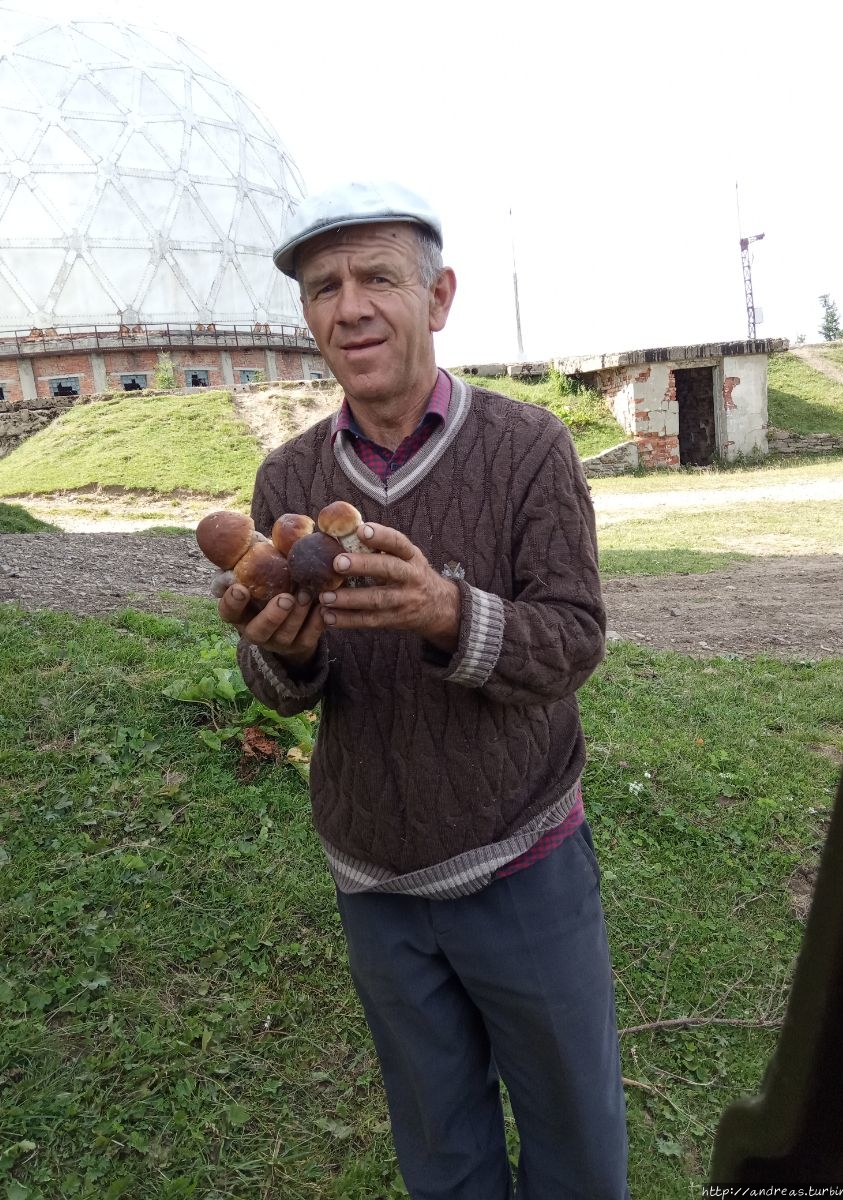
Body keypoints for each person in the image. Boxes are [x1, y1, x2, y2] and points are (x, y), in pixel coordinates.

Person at [217, 181, 629, 1200]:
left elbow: (575, 641)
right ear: (308, 317)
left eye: (377, 278)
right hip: (377, 889)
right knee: (442, 1158)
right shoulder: (287, 480)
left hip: (522, 865)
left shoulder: (528, 447)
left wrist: (450, 614)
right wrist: (281, 648)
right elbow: (285, 687)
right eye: (324, 287)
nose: (349, 305)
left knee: (575, 1145)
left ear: (439, 298)